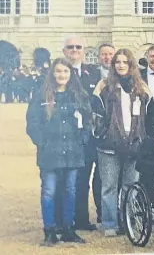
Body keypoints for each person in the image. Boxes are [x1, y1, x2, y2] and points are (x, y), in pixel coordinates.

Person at [26, 58, 92, 246]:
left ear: (70, 74)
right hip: (50, 152)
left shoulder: (79, 95)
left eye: (65, 71)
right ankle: (50, 230)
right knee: (49, 191)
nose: (61, 75)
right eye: (58, 71)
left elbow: (87, 120)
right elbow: (32, 122)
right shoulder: (42, 96)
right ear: (52, 74)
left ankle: (68, 229)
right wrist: (42, 142)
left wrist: (82, 140)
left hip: (73, 151)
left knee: (70, 190)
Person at [94, 48, 150, 237]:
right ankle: (110, 223)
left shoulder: (140, 87)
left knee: (130, 185)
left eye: (125, 62)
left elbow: (147, 115)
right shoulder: (104, 85)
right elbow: (96, 113)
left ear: (131, 65)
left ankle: (128, 220)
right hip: (109, 146)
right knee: (109, 186)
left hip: (134, 143)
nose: (121, 65)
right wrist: (103, 133)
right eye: (117, 62)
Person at [61, 36, 102, 231]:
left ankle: (83, 219)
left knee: (85, 178)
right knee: (66, 180)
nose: (74, 50)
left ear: (84, 50)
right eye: (70, 47)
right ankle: (65, 221)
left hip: (89, 136)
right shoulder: (57, 72)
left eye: (78, 47)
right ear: (64, 51)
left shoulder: (93, 73)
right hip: (66, 136)